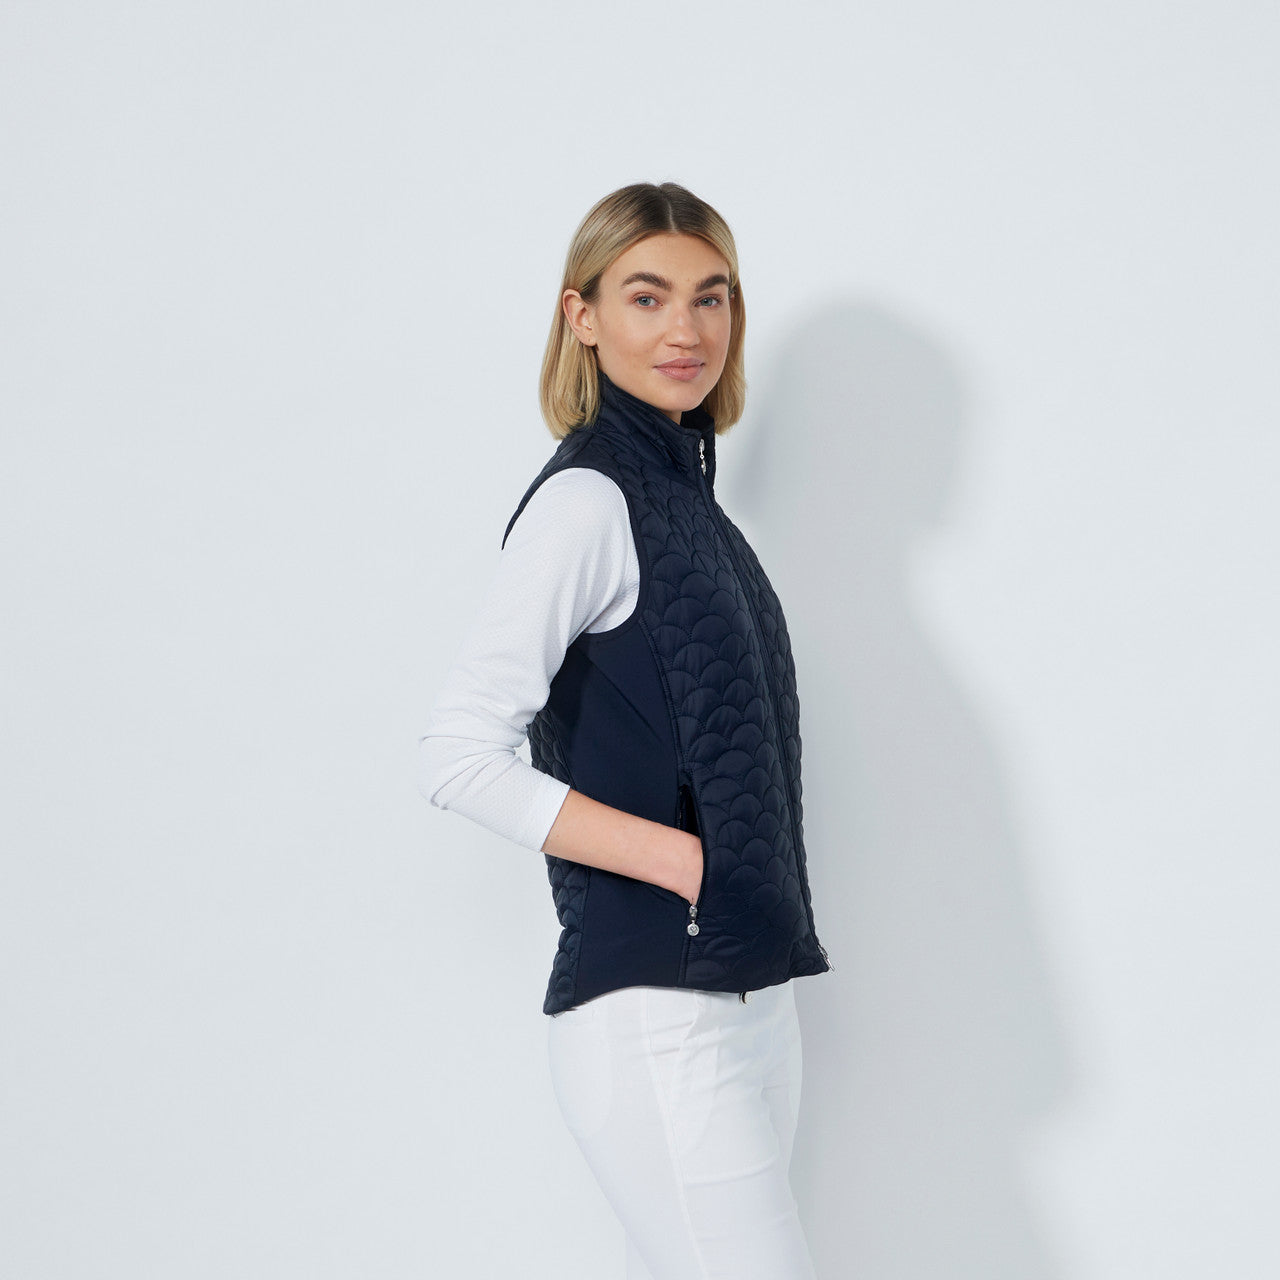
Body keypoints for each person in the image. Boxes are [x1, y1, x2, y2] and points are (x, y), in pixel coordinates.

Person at [419, 181, 829, 1280]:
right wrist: (682, 862)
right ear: (583, 316)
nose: (685, 329)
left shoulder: (695, 510)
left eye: (710, 296)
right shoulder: (586, 503)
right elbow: (459, 751)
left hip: (752, 1000)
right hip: (658, 1017)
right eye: (646, 297)